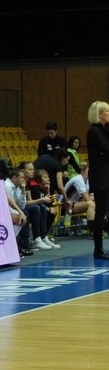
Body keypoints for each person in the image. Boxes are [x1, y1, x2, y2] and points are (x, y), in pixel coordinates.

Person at [87, 101, 109, 259]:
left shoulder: (105, 130)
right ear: (99, 114)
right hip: (101, 177)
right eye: (107, 111)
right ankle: (98, 248)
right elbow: (106, 149)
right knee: (101, 212)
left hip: (106, 174)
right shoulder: (94, 131)